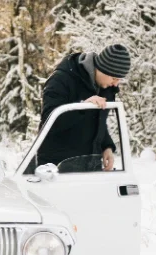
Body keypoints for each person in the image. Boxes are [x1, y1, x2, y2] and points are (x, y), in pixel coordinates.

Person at [33, 44, 131, 172]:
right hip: (56, 168)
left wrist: (106, 146)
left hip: (89, 165)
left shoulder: (107, 88)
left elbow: (97, 121)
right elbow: (49, 122)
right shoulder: (61, 80)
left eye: (119, 79)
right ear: (101, 68)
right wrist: (82, 106)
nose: (116, 83)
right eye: (114, 78)